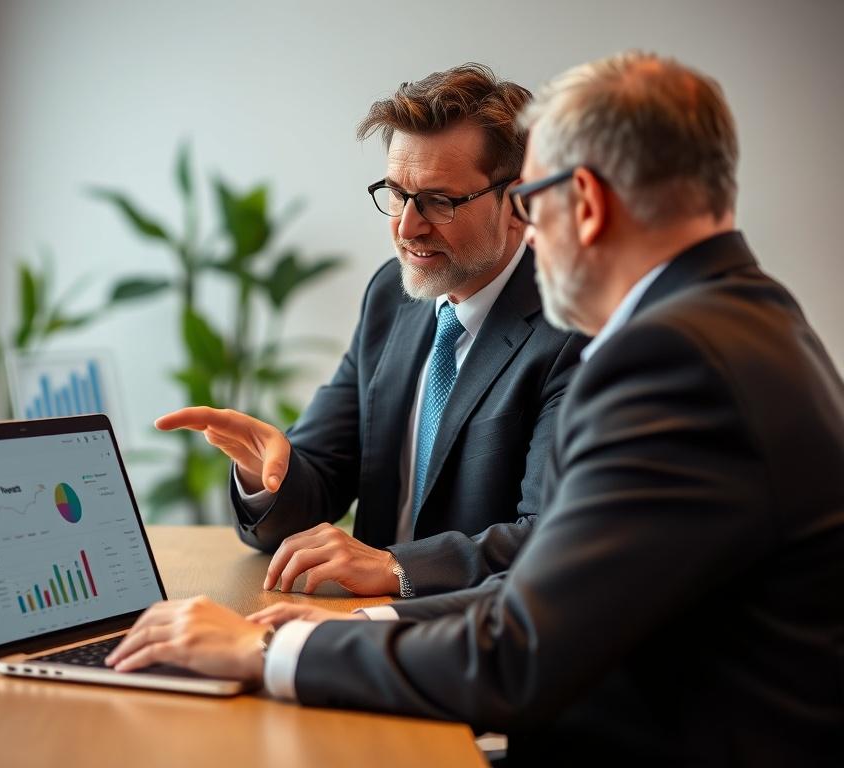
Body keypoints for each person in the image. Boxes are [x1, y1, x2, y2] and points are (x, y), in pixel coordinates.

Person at [108, 51, 844, 765]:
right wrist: (359, 622)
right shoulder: (746, 320)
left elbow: (522, 647)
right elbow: (545, 603)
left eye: (534, 199)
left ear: (580, 203)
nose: (531, 227)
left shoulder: (671, 362)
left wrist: (266, 648)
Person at [158, 63, 585, 598]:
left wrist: (397, 567)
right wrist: (264, 476)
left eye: (439, 201)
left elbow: (549, 537)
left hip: (473, 642)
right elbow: (321, 477)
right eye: (397, 193)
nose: (407, 227)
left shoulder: (571, 326)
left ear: (519, 201)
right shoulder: (392, 296)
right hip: (358, 629)